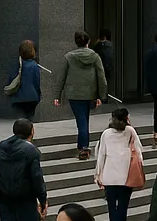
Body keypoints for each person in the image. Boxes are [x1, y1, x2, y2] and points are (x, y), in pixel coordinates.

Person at [93, 108, 144, 221]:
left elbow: (100, 154)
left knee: (112, 208)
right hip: (125, 175)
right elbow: (139, 153)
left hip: (109, 176)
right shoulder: (130, 131)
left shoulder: (106, 134)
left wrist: (98, 175)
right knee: (122, 208)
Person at [52, 30, 105, 160]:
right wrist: (101, 95)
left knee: (81, 120)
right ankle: (82, 144)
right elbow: (101, 76)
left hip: (74, 93)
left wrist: (57, 95)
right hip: (90, 93)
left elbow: (61, 77)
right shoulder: (95, 56)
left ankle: (83, 147)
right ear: (88, 42)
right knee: (84, 119)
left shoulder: (69, 57)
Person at [7, 40, 42, 120]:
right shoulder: (34, 66)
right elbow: (37, 82)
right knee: (29, 119)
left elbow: (11, 79)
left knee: (20, 119)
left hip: (18, 97)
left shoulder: (18, 65)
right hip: (32, 97)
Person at [92, 29, 115, 103]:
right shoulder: (108, 45)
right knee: (105, 83)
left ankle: (100, 98)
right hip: (106, 67)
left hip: (98, 68)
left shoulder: (96, 46)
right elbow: (108, 57)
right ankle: (104, 98)